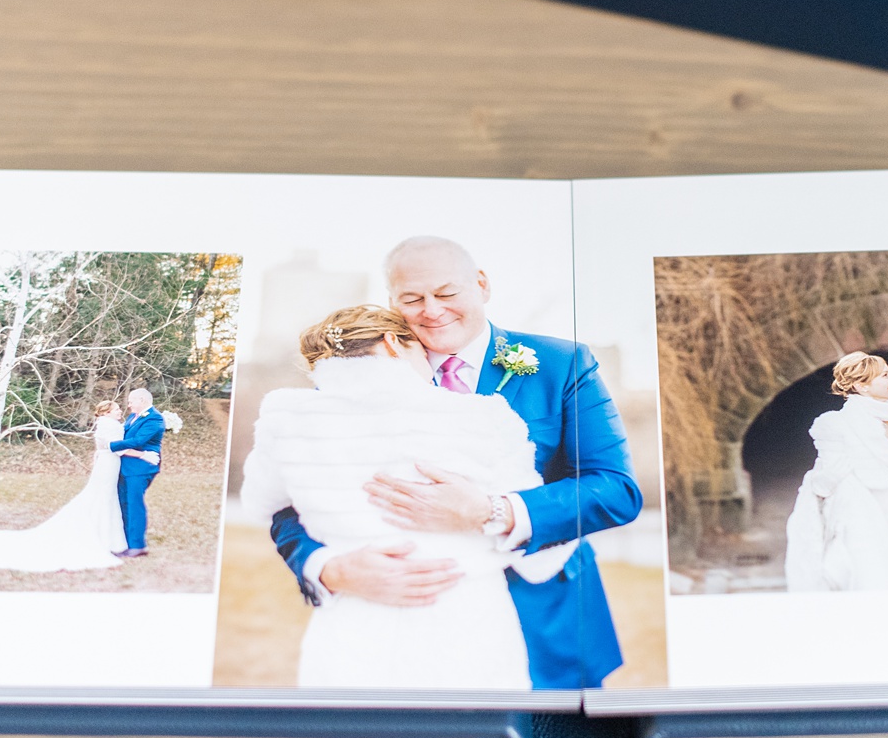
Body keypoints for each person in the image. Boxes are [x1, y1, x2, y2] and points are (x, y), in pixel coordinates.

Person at [266, 236, 643, 690]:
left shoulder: (561, 364)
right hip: (400, 629)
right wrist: (329, 568)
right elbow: (289, 501)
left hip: (546, 618)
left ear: (481, 285)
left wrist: (489, 511)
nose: (431, 310)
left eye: (446, 293)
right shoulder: (355, 374)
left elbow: (615, 489)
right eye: (412, 298)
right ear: (392, 302)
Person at [241, 306, 571, 689]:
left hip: (355, 619)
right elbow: (544, 546)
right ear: (394, 343)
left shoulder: (286, 418)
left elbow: (261, 504)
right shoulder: (484, 417)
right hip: (464, 618)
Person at [783, 352, 888, 591]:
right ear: (861, 386)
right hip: (870, 524)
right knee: (878, 586)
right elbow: (825, 483)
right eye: (885, 375)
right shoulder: (836, 425)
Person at [0, 400, 129, 571]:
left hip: (106, 464)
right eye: (116, 409)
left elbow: (101, 448)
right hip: (109, 464)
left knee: (104, 497)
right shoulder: (110, 425)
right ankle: (104, 537)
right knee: (102, 497)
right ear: (106, 412)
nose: (120, 411)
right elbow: (117, 448)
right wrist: (141, 453)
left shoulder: (104, 424)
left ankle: (107, 536)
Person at [109, 387, 165, 558]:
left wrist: (110, 446)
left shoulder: (155, 418)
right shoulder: (132, 417)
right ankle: (126, 543)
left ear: (142, 400)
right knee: (124, 503)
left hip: (141, 468)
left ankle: (138, 546)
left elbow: (138, 440)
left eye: (131, 401)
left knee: (135, 504)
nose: (129, 405)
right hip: (125, 466)